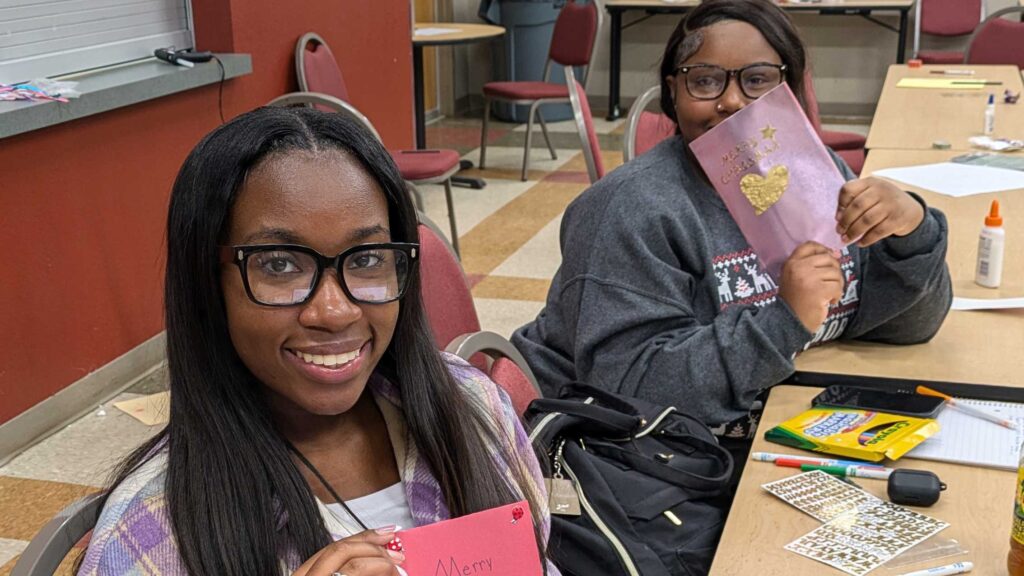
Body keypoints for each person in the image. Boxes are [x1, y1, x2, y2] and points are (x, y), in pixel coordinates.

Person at [78, 106, 557, 575]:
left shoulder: (473, 408)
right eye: (280, 264)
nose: (334, 312)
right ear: (207, 284)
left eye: (367, 258)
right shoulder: (150, 533)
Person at [512, 0, 952, 442]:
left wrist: (912, 232)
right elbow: (631, 390)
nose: (732, 100)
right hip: (617, 454)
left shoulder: (818, 176)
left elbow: (907, 327)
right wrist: (785, 321)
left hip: (759, 425)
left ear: (793, 89)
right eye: (704, 81)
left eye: (758, 80)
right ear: (673, 92)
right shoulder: (631, 209)